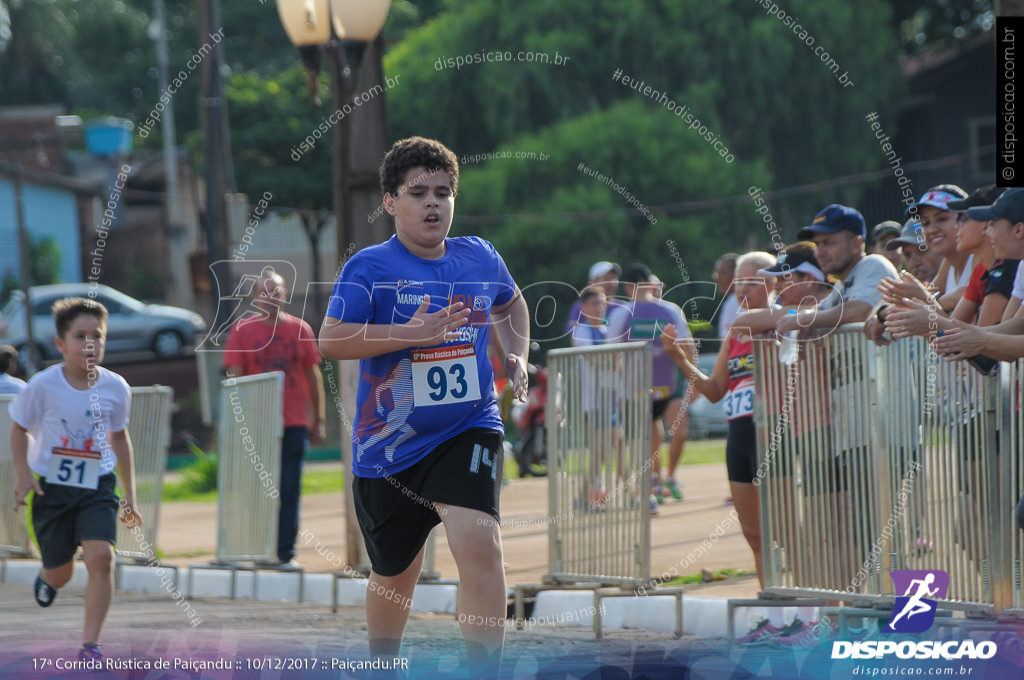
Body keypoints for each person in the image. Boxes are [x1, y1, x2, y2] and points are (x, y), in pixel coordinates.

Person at [319, 136, 529, 679]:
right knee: (394, 574)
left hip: (469, 425)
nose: (433, 203)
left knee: (480, 541)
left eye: (443, 192)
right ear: (391, 202)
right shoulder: (370, 267)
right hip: (389, 446)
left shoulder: (479, 256)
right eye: (418, 193)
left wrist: (518, 355)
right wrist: (405, 334)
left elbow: (511, 303)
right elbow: (332, 340)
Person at [10, 297, 141, 662]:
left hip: (98, 483)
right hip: (51, 487)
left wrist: (130, 494)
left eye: (96, 336)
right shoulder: (42, 386)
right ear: (60, 344)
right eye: (79, 336)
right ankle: (48, 578)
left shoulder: (116, 387)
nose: (89, 344)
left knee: (101, 557)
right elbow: (19, 428)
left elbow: (120, 438)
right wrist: (23, 473)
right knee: (61, 574)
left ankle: (90, 646)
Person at [223, 269, 326, 569]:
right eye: (264, 292)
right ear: (255, 297)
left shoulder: (301, 329)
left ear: (285, 295)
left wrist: (317, 419)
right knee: (256, 489)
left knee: (290, 489)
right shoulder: (243, 331)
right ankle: (256, 548)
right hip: (257, 425)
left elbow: (312, 374)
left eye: (276, 291)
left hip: (292, 423)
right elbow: (235, 377)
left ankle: (284, 554)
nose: (271, 298)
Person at [606, 263, 689, 513]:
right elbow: (612, 354)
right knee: (649, 437)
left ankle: (665, 479)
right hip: (639, 389)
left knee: (657, 436)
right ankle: (651, 486)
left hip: (668, 384)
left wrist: (691, 377)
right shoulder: (624, 313)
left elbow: (609, 353)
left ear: (628, 286)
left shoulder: (667, 310)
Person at [564, 261, 623, 336]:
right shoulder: (580, 306)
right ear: (593, 281)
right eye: (606, 278)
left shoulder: (624, 307)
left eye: (614, 278)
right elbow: (573, 332)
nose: (611, 283)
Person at [715, 253, 740, 338]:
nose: (717, 278)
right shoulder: (732, 300)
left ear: (737, 274)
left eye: (722, 273)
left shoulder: (735, 301)